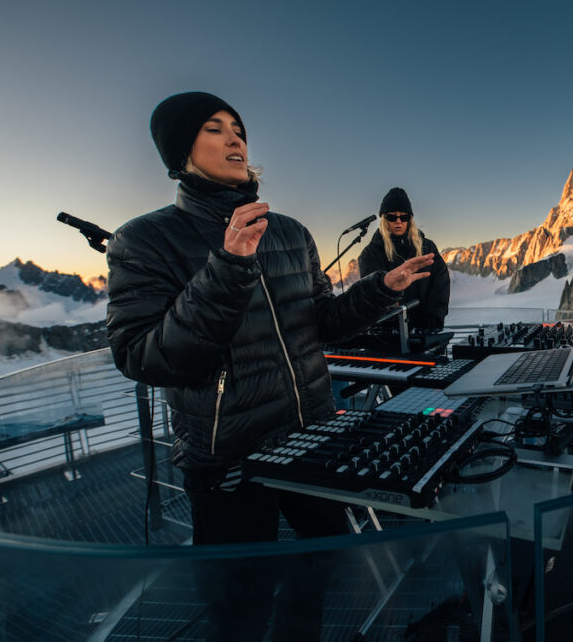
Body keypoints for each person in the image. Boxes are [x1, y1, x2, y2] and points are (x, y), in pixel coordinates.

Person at [105, 91, 433, 641]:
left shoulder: (289, 231)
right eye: (215, 129)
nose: (236, 138)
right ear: (179, 151)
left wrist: (379, 290)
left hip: (311, 435)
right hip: (229, 454)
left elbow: (321, 323)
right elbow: (145, 356)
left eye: (239, 128)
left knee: (324, 561)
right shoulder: (143, 240)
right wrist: (228, 266)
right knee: (239, 600)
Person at [357, 187, 450, 332]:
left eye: (404, 217)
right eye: (392, 217)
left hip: (427, 332)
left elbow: (441, 283)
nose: (398, 222)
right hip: (388, 336)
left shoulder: (428, 248)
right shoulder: (371, 253)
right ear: (384, 219)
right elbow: (372, 293)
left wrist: (434, 318)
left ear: (410, 220)